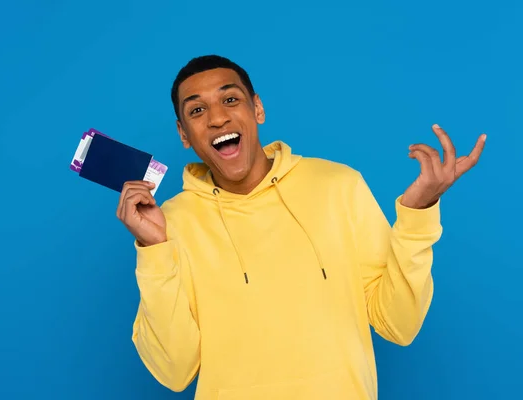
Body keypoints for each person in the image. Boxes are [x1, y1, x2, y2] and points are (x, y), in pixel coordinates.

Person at [116, 55, 486, 399]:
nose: (217, 119)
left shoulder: (338, 186)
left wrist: (418, 214)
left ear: (257, 108)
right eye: (198, 110)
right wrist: (154, 251)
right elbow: (174, 370)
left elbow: (398, 324)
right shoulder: (171, 222)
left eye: (230, 100)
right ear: (184, 134)